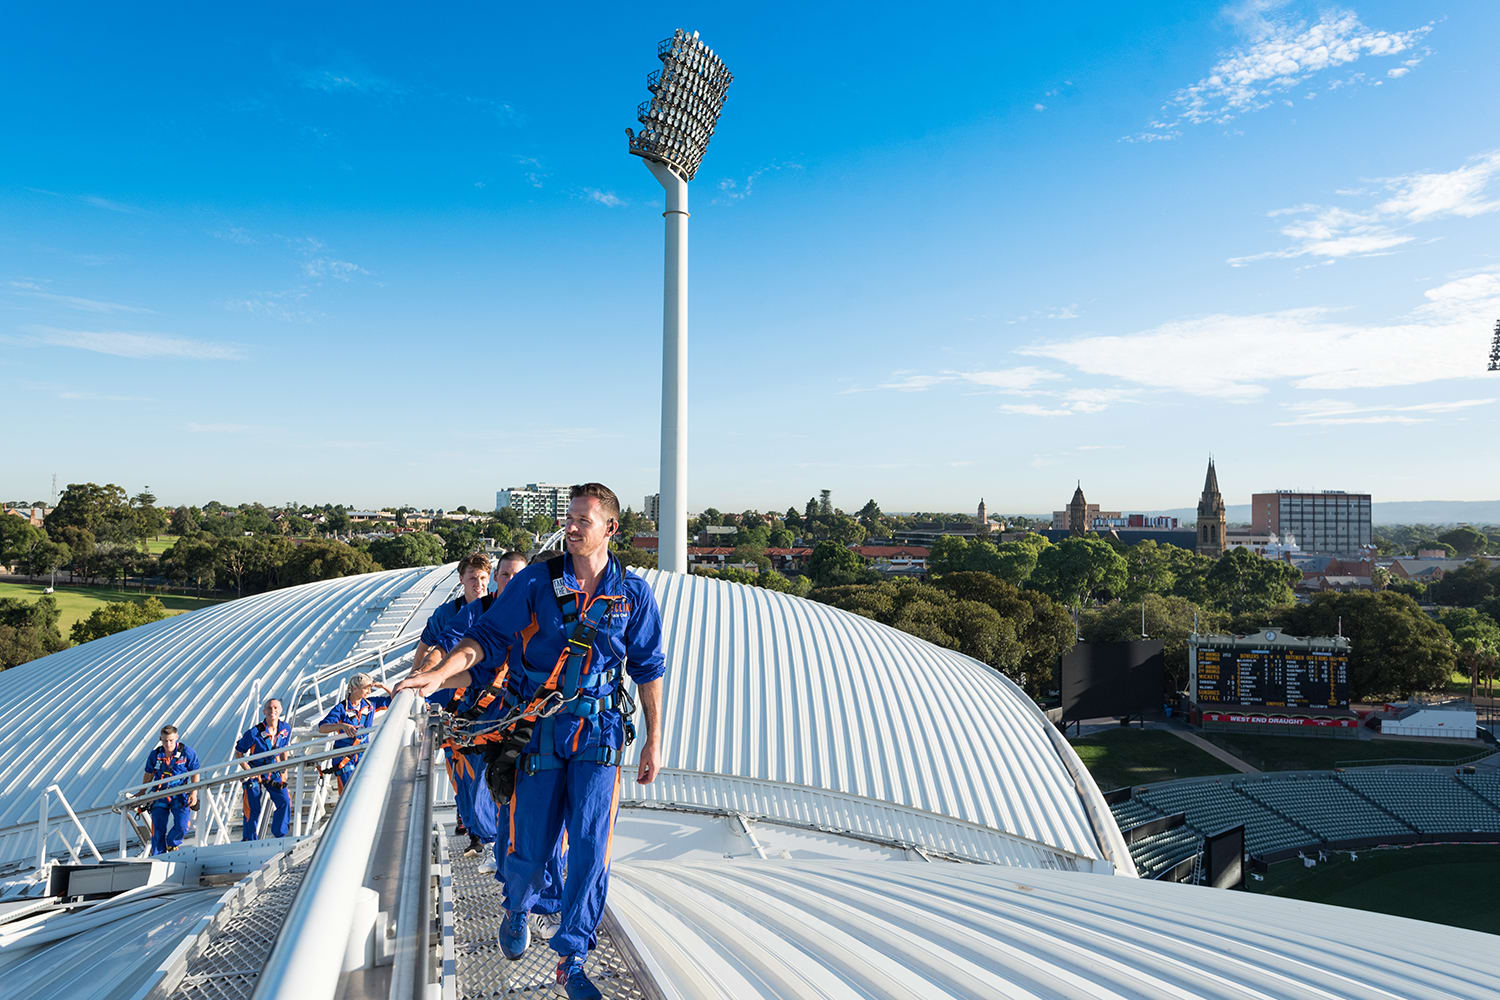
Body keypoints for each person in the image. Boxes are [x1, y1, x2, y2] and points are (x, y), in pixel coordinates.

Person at [398, 483, 664, 1000]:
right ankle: (518, 905)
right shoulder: (537, 582)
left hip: (600, 733)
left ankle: (572, 956)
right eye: (570, 516)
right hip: (541, 731)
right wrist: (438, 675)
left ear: (610, 528)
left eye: (585, 519)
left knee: (590, 847)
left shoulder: (633, 594)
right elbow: (489, 640)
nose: (572, 525)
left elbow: (649, 668)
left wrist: (655, 741)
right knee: (530, 843)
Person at [431, 550, 530, 867]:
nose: (511, 581)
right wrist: (431, 676)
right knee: (479, 787)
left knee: (522, 789)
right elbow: (446, 644)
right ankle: (492, 843)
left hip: (523, 714)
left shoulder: (538, 611)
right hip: (483, 716)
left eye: (518, 575)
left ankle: (516, 851)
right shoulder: (479, 612)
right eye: (505, 575)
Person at [410, 552, 493, 844]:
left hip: (486, 702)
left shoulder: (497, 610)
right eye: (473, 578)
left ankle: (483, 830)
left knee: (484, 767)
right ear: (461, 580)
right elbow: (427, 644)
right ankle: (471, 824)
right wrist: (415, 676)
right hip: (451, 705)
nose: (479, 584)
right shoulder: (447, 614)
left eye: (484, 578)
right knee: (457, 764)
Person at [317, 672, 392, 793]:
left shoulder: (370, 704)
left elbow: (394, 699)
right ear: (354, 689)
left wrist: (384, 687)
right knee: (348, 793)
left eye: (370, 688)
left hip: (363, 754)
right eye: (366, 688)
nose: (369, 692)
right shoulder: (341, 708)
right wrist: (342, 725)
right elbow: (322, 727)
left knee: (365, 791)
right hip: (344, 756)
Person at [234, 698, 293, 840]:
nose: (273, 711)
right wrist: (249, 771)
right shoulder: (254, 732)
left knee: (284, 801)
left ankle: (280, 835)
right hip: (256, 771)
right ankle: (249, 840)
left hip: (274, 772)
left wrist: (284, 769)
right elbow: (239, 752)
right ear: (264, 711)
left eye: (276, 708)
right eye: (269, 708)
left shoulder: (286, 729)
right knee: (253, 807)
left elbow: (284, 748)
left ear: (280, 710)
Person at [141, 725, 200, 854]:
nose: (168, 743)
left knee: (182, 826)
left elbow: (195, 773)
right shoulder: (155, 755)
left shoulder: (187, 753)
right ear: (161, 739)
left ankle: (172, 843)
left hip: (179, 795)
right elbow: (149, 774)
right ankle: (158, 856)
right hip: (160, 795)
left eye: (171, 740)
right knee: (158, 830)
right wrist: (142, 793)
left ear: (177, 738)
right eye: (165, 740)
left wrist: (194, 793)